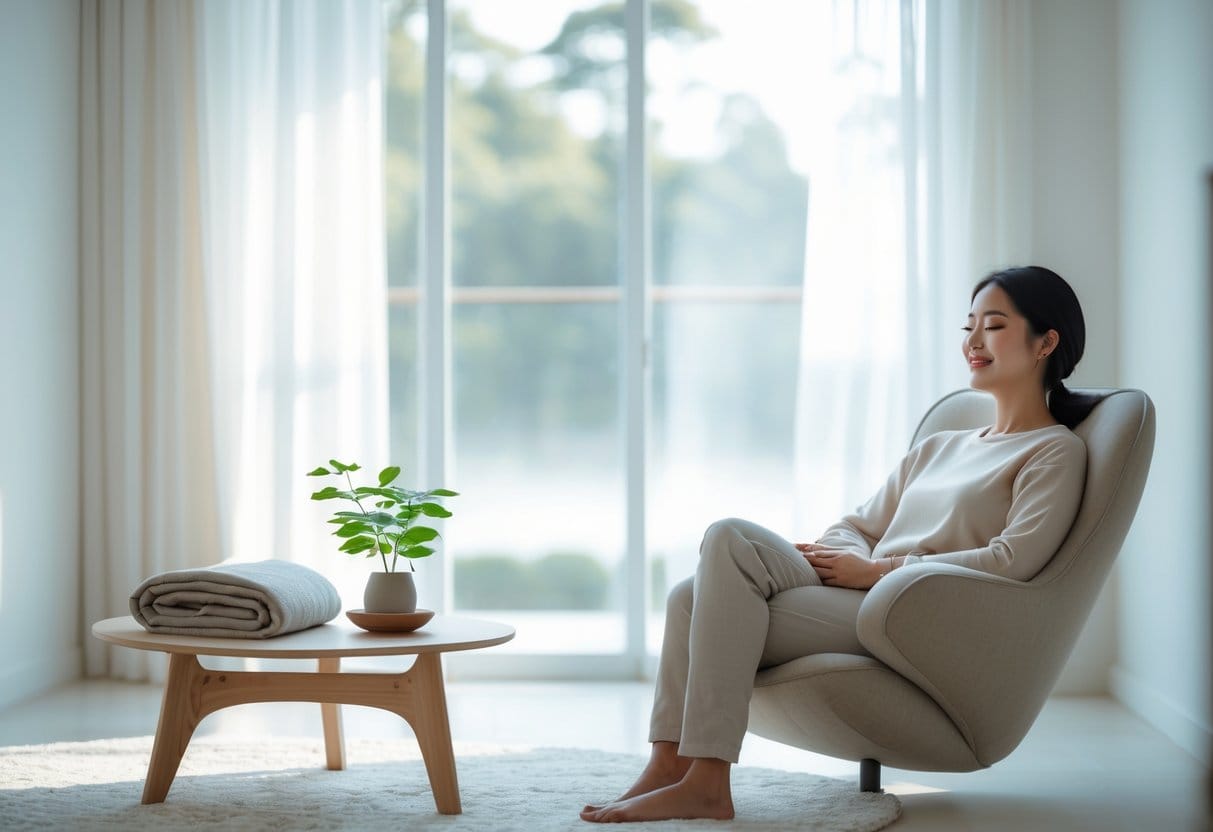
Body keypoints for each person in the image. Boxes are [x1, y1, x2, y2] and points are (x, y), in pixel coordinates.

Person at [580, 265, 1098, 823]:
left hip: (907, 619)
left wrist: (877, 571)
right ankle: (668, 765)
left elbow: (1012, 560)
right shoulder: (942, 445)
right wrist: (848, 561)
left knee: (726, 541)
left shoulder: (1053, 452)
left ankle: (708, 781)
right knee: (690, 592)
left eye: (993, 326)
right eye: (968, 325)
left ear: (1046, 341)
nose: (973, 342)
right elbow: (856, 524)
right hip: (860, 593)